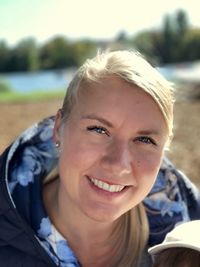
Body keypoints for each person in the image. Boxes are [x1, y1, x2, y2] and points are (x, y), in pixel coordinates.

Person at [0, 50, 200, 267]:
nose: (118, 165)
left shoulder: (190, 242)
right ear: (58, 129)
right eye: (98, 129)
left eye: (144, 139)